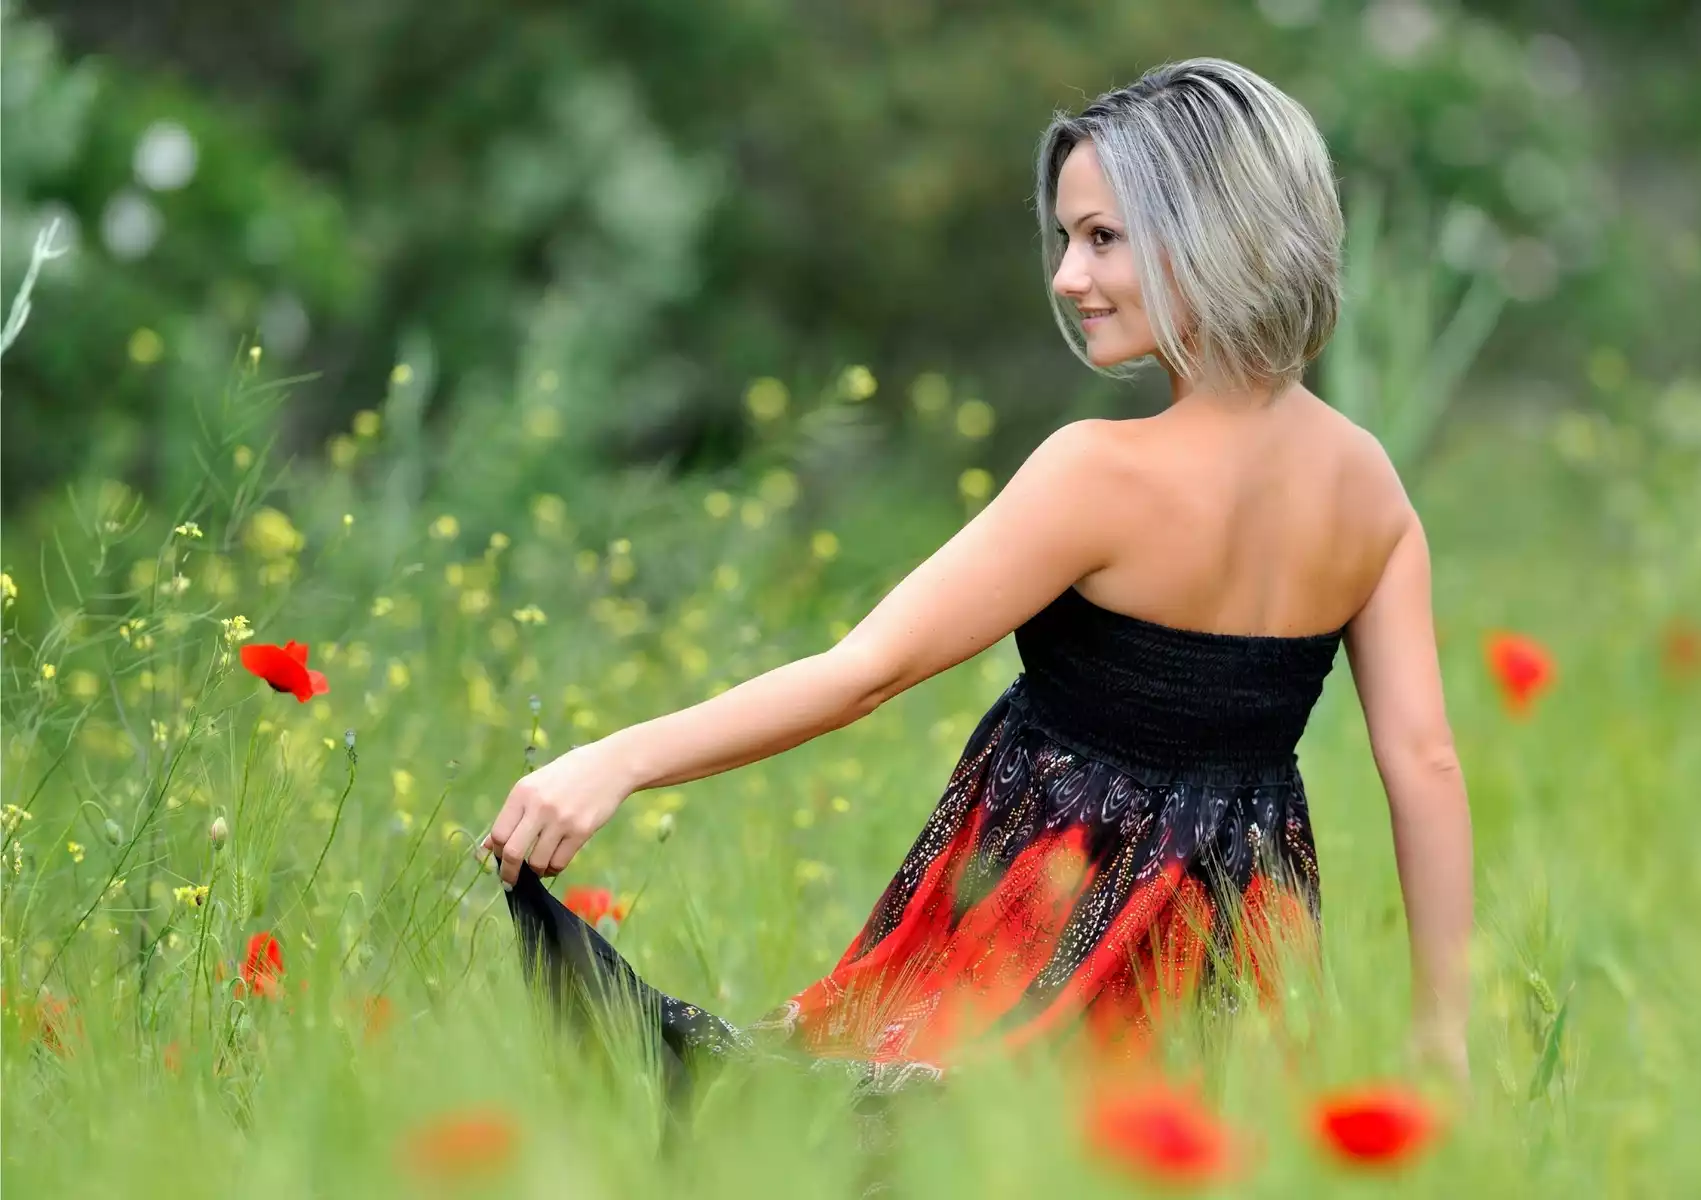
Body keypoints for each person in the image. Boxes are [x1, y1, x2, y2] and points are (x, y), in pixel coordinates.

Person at [485, 55, 1474, 1130]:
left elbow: (864, 673)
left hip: (1043, 929)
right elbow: (1423, 762)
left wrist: (618, 759)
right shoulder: (1369, 483)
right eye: (1065, 238)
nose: (1066, 276)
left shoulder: (1096, 475)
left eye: (1103, 237)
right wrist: (1440, 1028)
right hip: (1235, 955)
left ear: (1214, 233)